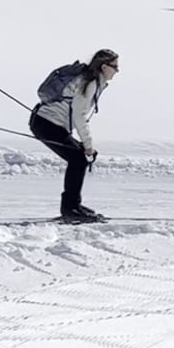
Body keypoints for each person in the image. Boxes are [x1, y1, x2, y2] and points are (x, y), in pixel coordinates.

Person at [28, 48, 118, 221]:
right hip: (46, 124)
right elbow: (79, 116)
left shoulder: (90, 79)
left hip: (44, 121)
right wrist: (88, 146)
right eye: (115, 67)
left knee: (78, 158)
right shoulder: (90, 82)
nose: (116, 71)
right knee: (78, 159)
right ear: (104, 66)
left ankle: (73, 205)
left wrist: (84, 145)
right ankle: (70, 209)